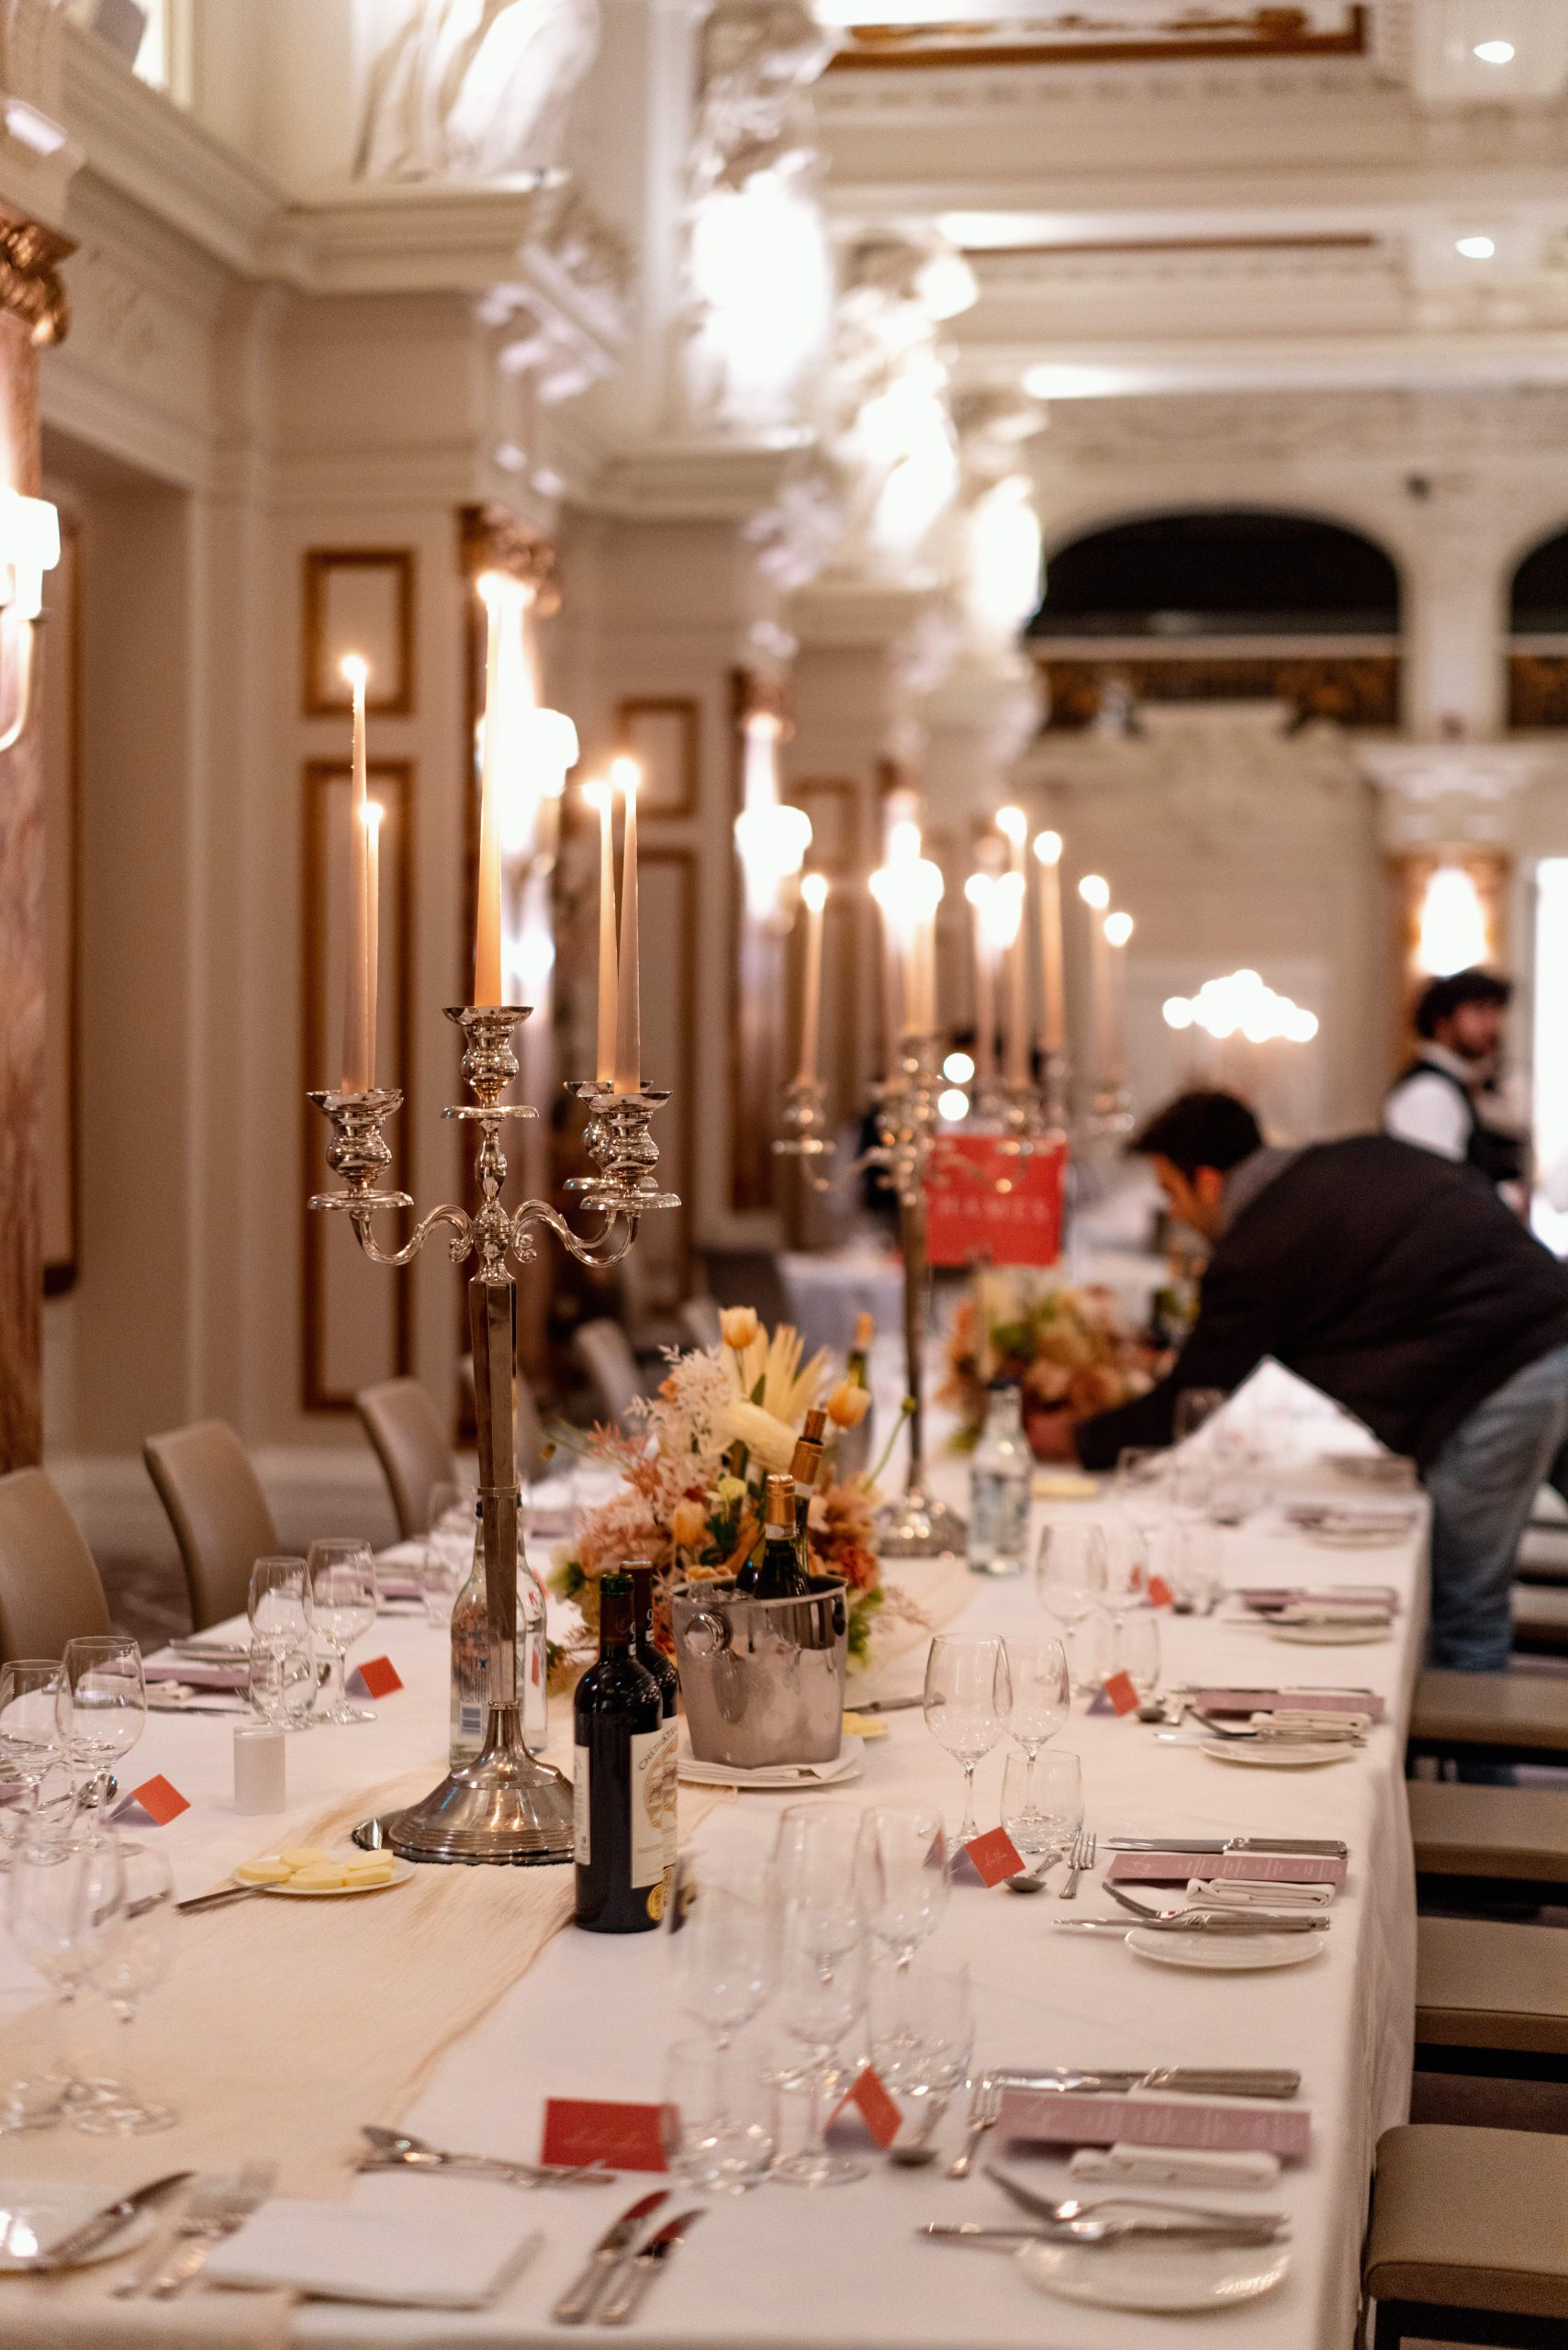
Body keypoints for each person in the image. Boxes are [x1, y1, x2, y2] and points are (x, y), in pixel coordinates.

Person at [1038, 1091, 1568, 1672]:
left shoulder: (1259, 1246)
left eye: (1171, 1192)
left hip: (1509, 1377)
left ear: (1208, 1181)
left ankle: (1482, 1762)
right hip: (1547, 1331)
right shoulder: (1343, 1160)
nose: (1177, 1215)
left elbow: (1189, 1402)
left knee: (1466, 1606)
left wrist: (1072, 1439)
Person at [1383, 967, 1526, 1194]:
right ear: (1442, 1021)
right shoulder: (1428, 1092)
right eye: (1479, 1010)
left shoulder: (1474, 1084)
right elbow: (1437, 1189)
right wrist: (1509, 1198)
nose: (1492, 1024)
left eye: (1496, 1011)